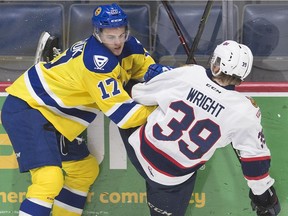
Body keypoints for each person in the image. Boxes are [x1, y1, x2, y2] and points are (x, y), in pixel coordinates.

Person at [1, 3, 156, 216]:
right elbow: (125, 117)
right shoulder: (96, 63)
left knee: (83, 171)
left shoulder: (131, 45)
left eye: (122, 34)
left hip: (60, 114)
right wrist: (158, 108)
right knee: (49, 178)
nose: (118, 42)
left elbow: (147, 68)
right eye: (111, 37)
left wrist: (163, 76)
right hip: (30, 106)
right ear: (98, 34)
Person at [119, 40, 281, 216]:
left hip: (139, 149)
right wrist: (263, 196)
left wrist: (164, 76)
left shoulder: (190, 74)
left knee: (125, 96)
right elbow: (255, 162)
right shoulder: (246, 111)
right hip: (171, 178)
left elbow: (139, 94)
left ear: (216, 63)